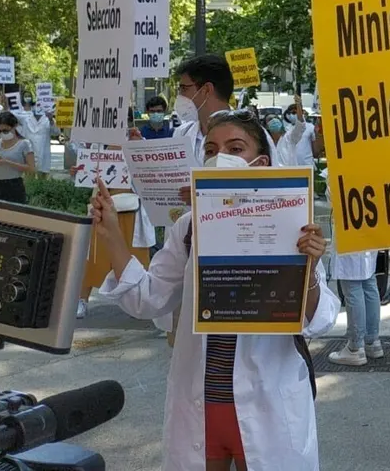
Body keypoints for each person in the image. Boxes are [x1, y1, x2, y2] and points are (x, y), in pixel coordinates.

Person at [95, 110, 336, 471]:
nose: (219, 157)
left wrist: (309, 271)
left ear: (260, 163)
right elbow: (146, 299)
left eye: (235, 148)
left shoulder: (293, 226)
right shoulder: (189, 227)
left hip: (268, 408)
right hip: (202, 408)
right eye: (210, 149)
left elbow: (320, 322)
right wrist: (112, 233)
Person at [172, 54, 236, 165]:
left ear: (206, 90)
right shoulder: (182, 134)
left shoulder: (250, 134)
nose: (179, 95)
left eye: (183, 88)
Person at [329, 250, 384, 366]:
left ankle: (355, 348)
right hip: (367, 243)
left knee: (352, 285)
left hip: (349, 243)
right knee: (369, 281)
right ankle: (372, 341)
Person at [0, 112, 35, 203]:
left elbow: (31, 168)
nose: (2, 133)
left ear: (15, 126)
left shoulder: (24, 144)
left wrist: (7, 162)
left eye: (5, 131)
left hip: (13, 184)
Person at [12, 100, 55, 174]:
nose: (37, 108)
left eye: (40, 106)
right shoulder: (25, 119)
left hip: (43, 153)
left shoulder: (48, 120)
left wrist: (51, 120)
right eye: (36, 106)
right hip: (29, 152)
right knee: (29, 174)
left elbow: (56, 132)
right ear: (32, 107)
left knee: (42, 175)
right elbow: (12, 114)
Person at [283, 99, 315, 166]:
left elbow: (314, 145)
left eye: (295, 112)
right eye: (291, 113)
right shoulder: (286, 129)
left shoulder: (310, 127)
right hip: (292, 164)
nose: (293, 115)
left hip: (307, 163)